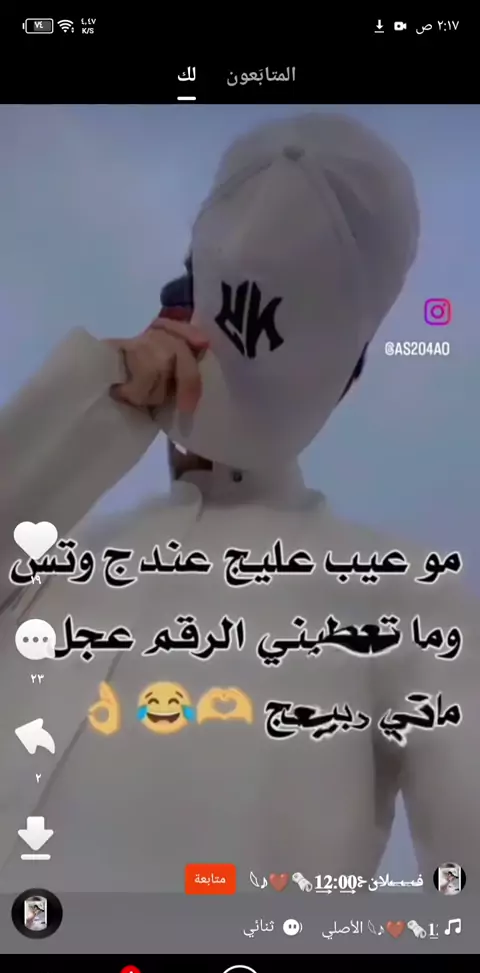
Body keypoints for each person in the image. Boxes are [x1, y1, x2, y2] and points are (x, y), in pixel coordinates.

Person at [0, 113, 478, 896]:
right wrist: (86, 402)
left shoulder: (403, 595)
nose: (190, 351)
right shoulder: (52, 566)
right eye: (180, 318)